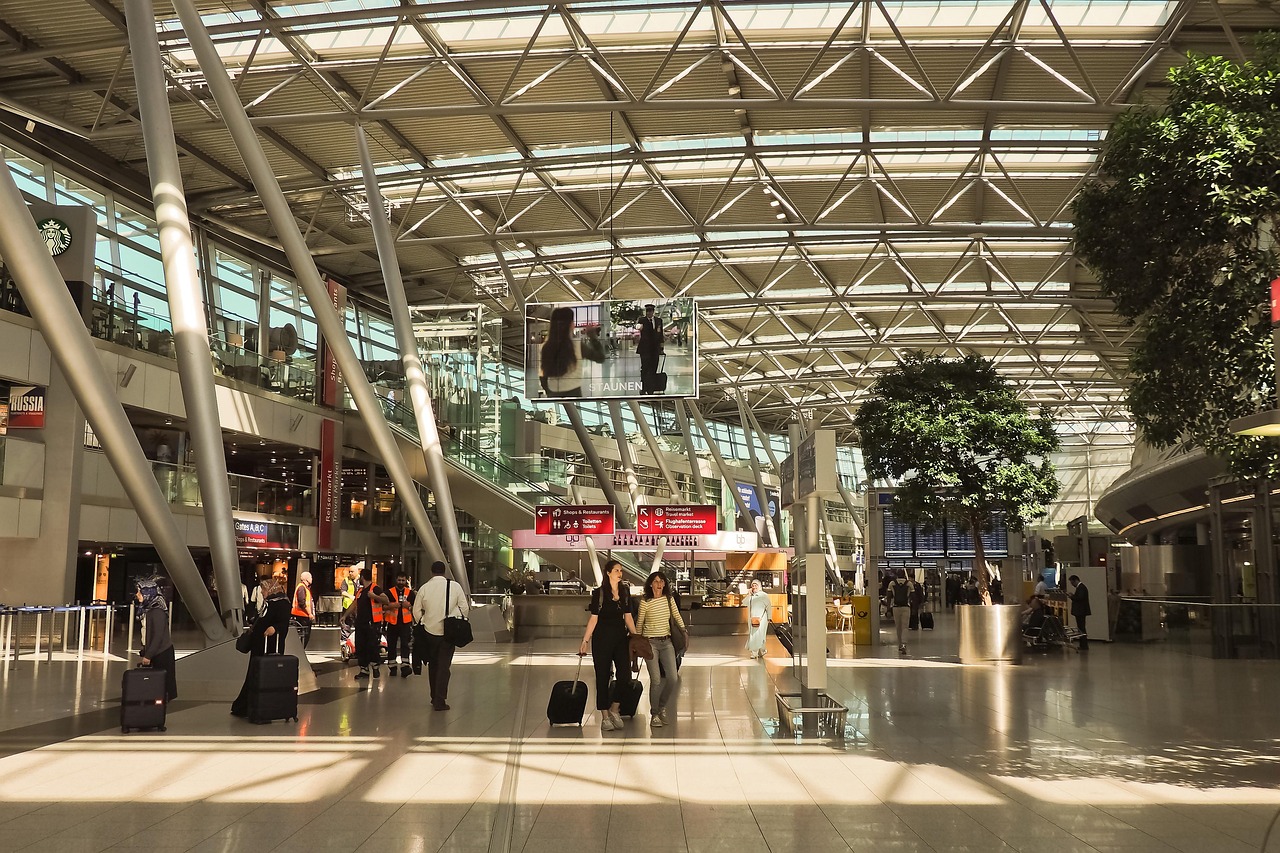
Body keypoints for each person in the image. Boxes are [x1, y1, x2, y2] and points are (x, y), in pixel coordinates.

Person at [579, 559, 638, 732]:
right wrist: (585, 640)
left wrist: (635, 637)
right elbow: (594, 618)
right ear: (608, 573)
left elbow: (628, 616)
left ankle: (614, 708)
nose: (620, 573)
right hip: (602, 639)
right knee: (602, 676)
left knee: (625, 674)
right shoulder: (599, 593)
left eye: (621, 570)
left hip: (620, 638)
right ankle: (605, 715)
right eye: (616, 570)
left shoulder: (625, 592)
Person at [411, 561, 469, 710]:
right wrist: (459, 620)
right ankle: (440, 700)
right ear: (444, 572)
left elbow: (416, 610)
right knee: (444, 666)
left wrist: (423, 621)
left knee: (433, 665)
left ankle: (433, 696)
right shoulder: (455, 586)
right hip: (448, 632)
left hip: (429, 631)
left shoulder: (424, 588)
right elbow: (465, 607)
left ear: (431, 572)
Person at [634, 571, 687, 727]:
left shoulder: (669, 600)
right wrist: (637, 642)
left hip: (667, 642)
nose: (658, 584)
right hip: (650, 644)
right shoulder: (645, 601)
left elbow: (677, 617)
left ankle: (662, 706)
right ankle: (655, 713)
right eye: (655, 581)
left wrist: (684, 632)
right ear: (650, 584)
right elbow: (640, 623)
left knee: (672, 678)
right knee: (656, 680)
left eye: (661, 581)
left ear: (664, 584)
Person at [231, 577, 289, 718]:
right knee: (255, 674)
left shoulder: (282, 603)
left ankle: (260, 706)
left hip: (269, 647)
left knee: (264, 675)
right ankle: (247, 706)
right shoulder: (269, 603)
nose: (262, 592)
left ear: (271, 588)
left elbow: (283, 623)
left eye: (263, 589)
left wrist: (274, 628)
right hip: (259, 645)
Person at [539, 306, 603, 397]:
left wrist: (548, 391)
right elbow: (600, 358)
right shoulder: (577, 345)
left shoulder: (546, 346)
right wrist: (592, 336)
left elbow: (543, 374)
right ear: (571, 325)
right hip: (573, 391)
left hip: (553, 391)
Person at [135, 578, 177, 702]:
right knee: (157, 685)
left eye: (140, 592)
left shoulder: (157, 611)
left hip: (162, 653)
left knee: (161, 685)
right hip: (157, 652)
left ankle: (158, 711)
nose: (137, 595)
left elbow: (158, 636)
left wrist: (148, 655)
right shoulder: (149, 609)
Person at [345, 567, 390, 680]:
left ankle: (375, 667)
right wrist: (344, 616)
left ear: (363, 577)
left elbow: (386, 600)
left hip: (372, 623)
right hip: (360, 623)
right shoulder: (360, 591)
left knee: (372, 646)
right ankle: (364, 670)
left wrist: (374, 596)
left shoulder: (375, 588)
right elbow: (354, 604)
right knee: (360, 646)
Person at [385, 572, 415, 677]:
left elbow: (416, 608)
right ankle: (392, 666)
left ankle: (405, 666)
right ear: (396, 580)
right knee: (391, 645)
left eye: (403, 580)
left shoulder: (411, 593)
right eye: (399, 580)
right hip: (392, 622)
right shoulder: (389, 592)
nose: (401, 582)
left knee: (405, 645)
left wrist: (409, 607)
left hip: (405, 623)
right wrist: (392, 605)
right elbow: (382, 606)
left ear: (406, 581)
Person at [886, 569, 916, 654]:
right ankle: (904, 644)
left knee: (898, 627)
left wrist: (888, 609)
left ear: (897, 575)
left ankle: (900, 644)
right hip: (906, 607)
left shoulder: (892, 583)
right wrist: (914, 609)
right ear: (904, 575)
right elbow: (913, 597)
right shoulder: (909, 584)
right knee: (905, 627)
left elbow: (888, 597)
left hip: (895, 607)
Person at [637, 303, 663, 394]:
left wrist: (661, 347)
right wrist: (639, 327)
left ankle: (651, 387)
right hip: (645, 349)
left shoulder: (658, 320)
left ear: (653, 312)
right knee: (645, 368)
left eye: (650, 311)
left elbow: (661, 334)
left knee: (654, 368)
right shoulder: (642, 320)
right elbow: (638, 327)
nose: (649, 313)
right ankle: (644, 387)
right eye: (647, 311)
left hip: (655, 349)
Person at [744, 579, 770, 659]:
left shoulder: (764, 595)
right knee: (753, 635)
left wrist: (769, 617)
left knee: (760, 635)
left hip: (762, 619)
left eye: (756, 585)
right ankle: (756, 652)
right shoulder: (751, 596)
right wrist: (748, 594)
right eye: (753, 585)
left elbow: (768, 606)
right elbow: (744, 602)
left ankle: (759, 650)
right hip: (752, 619)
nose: (754, 587)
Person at [290, 571, 315, 649]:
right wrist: (310, 613)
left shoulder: (305, 588)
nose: (312, 579)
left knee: (306, 635)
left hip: (303, 615)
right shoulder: (302, 587)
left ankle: (301, 650)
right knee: (304, 635)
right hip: (302, 615)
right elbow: (302, 602)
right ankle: (300, 650)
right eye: (310, 577)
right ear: (306, 579)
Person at [1068, 574, 1091, 650]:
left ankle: (1084, 645)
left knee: (1081, 628)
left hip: (1081, 611)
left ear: (1075, 580)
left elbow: (1080, 598)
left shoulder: (1081, 588)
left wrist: (1072, 596)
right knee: (1081, 627)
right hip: (1081, 611)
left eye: (1072, 583)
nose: (1072, 585)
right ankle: (1083, 644)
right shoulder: (1081, 588)